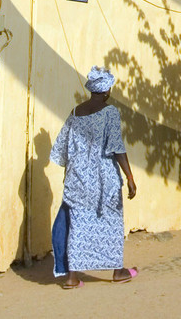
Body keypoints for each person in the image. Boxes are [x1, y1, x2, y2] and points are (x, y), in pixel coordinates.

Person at [49, 65, 138, 288]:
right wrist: (129, 176)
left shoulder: (75, 112)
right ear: (107, 90)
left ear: (92, 89)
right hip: (103, 178)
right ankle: (118, 271)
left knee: (77, 224)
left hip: (77, 178)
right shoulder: (110, 112)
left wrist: (71, 171)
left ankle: (71, 277)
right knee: (111, 221)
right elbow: (117, 147)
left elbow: (62, 147)